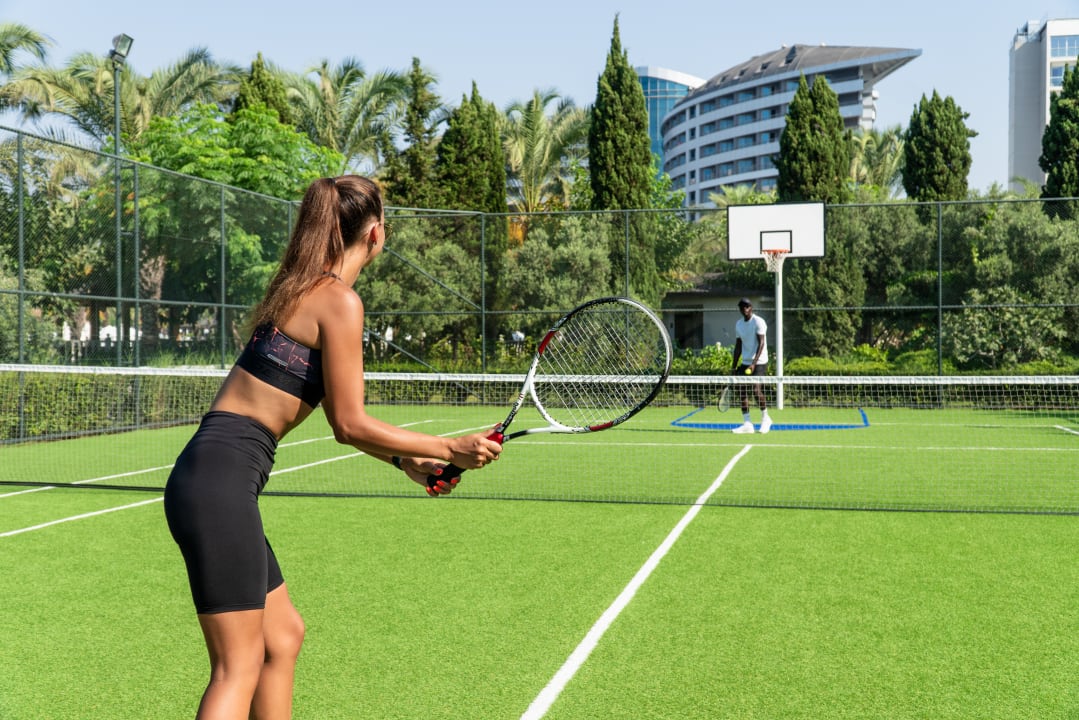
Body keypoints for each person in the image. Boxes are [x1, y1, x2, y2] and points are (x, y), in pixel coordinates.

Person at [163, 175, 502, 720]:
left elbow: (331, 410)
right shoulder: (340, 301)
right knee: (237, 666)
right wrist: (446, 446)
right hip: (220, 484)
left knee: (282, 637)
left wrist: (405, 459)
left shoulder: (298, 287)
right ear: (376, 233)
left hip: (207, 477)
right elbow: (349, 424)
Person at [730, 297, 772, 434]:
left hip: (760, 362)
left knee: (755, 390)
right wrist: (733, 367)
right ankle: (747, 423)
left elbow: (761, 343)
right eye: (742, 307)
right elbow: (738, 347)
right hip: (745, 362)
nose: (745, 309)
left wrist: (754, 364)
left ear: (751, 308)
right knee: (741, 390)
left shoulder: (758, 322)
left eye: (747, 306)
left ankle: (766, 418)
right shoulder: (739, 324)